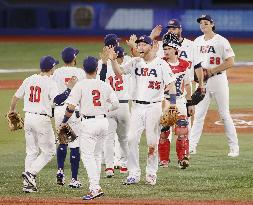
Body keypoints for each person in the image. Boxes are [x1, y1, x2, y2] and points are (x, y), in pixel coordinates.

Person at [110, 35, 177, 185]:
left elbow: (172, 86)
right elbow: (118, 72)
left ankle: (151, 173)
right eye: (138, 45)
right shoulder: (135, 62)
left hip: (154, 106)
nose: (140, 47)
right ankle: (133, 173)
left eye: (143, 44)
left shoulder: (161, 64)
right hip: (136, 107)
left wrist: (172, 105)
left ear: (152, 46)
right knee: (132, 139)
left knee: (152, 142)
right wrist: (113, 60)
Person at [8, 56, 76, 193]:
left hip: (28, 118)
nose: (55, 68)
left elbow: (15, 96)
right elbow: (57, 100)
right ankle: (31, 173)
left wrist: (12, 111)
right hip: (41, 120)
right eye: (54, 66)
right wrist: (69, 88)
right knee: (49, 151)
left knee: (32, 151)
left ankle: (27, 184)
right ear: (51, 68)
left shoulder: (29, 79)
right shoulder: (50, 83)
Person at [60, 56, 119, 200]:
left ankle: (95, 187)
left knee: (87, 156)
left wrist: (64, 121)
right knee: (97, 155)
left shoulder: (80, 85)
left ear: (84, 70)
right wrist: (106, 110)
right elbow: (116, 103)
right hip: (103, 123)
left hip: (89, 124)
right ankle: (95, 185)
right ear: (97, 69)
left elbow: (70, 107)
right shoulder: (104, 85)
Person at [189, 15, 239, 157]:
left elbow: (230, 62)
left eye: (206, 23)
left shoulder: (221, 41)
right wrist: (197, 77)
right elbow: (194, 63)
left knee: (224, 114)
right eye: (201, 23)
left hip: (218, 80)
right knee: (198, 115)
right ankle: (192, 146)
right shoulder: (197, 41)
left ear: (212, 24)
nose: (203, 25)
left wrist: (212, 70)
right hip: (202, 81)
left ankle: (234, 148)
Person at [158, 33, 194, 169]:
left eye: (168, 48)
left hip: (180, 100)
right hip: (164, 101)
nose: (166, 51)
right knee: (164, 131)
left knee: (182, 130)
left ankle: (183, 158)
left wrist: (190, 102)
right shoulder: (160, 63)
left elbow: (187, 84)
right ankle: (164, 160)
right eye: (164, 48)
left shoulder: (185, 64)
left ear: (175, 49)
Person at [52, 46, 86, 188]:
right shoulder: (80, 72)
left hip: (59, 110)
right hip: (73, 110)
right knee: (74, 145)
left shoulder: (57, 72)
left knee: (62, 141)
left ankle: (60, 171)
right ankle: (74, 179)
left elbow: (53, 96)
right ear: (73, 58)